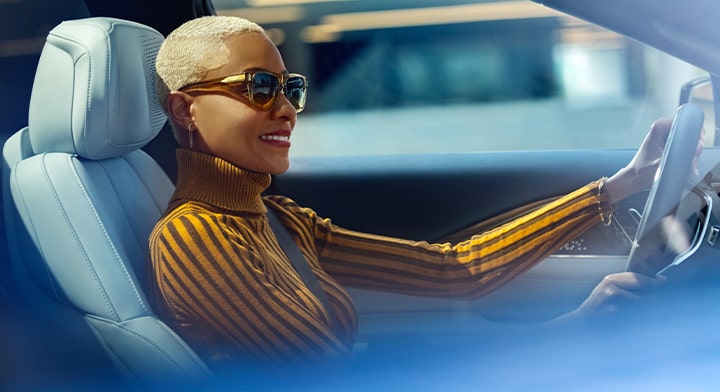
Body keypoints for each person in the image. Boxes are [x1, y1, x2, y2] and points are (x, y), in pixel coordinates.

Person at [148, 15, 695, 367]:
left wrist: (619, 186)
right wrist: (566, 336)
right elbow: (329, 378)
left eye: (290, 88)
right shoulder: (194, 236)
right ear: (184, 109)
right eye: (259, 88)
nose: (286, 109)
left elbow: (450, 270)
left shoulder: (274, 217)